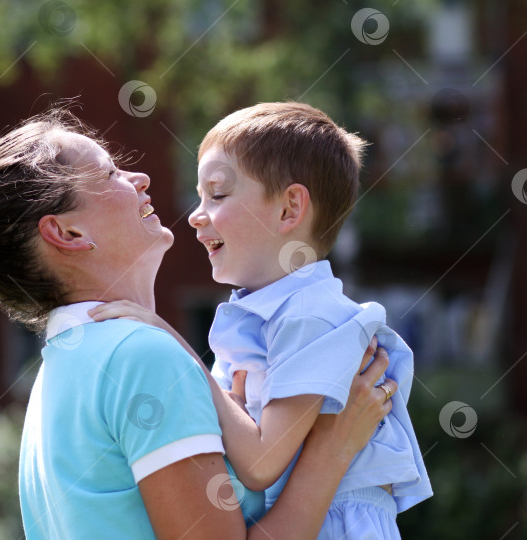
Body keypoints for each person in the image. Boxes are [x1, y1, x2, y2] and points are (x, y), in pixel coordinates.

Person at [0, 106, 398, 539]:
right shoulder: (142, 357)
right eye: (110, 173)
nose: (138, 178)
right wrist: (332, 451)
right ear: (68, 232)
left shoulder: (57, 376)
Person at [92, 102, 432, 539]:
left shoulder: (312, 315)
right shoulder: (265, 314)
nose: (196, 214)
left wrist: (172, 345)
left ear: (290, 209)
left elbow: (258, 464)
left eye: (217, 194)